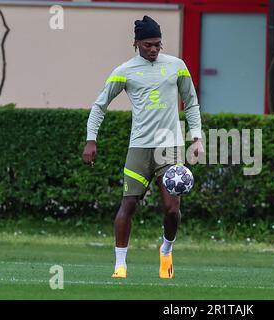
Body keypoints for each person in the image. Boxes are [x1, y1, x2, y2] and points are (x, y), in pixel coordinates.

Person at [82, 15, 203, 279]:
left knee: (172, 208)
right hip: (139, 148)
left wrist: (197, 138)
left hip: (169, 148)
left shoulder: (177, 66)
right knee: (128, 205)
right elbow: (99, 106)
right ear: (136, 43)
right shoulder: (124, 71)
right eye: (148, 44)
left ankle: (166, 251)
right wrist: (91, 139)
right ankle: (120, 265)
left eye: (158, 44)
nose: (154, 49)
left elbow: (191, 103)